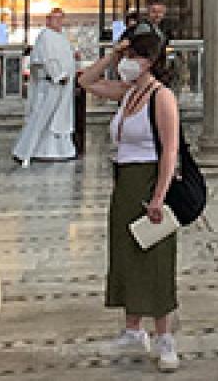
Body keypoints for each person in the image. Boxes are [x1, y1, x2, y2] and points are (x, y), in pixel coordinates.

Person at [75, 28, 183, 370]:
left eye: (136, 57)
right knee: (126, 254)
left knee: (154, 257)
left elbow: (170, 151)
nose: (130, 63)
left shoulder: (161, 97)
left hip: (149, 180)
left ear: (150, 61)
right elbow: (86, 82)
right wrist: (114, 54)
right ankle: (133, 327)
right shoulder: (128, 93)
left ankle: (165, 336)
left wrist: (159, 196)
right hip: (124, 181)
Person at [13, 9, 77, 165]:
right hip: (51, 85)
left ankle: (57, 150)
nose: (58, 22)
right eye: (55, 19)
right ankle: (26, 152)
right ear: (48, 20)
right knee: (41, 118)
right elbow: (48, 58)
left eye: (61, 19)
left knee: (56, 119)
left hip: (62, 87)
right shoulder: (46, 36)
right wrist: (58, 75)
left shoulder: (61, 37)